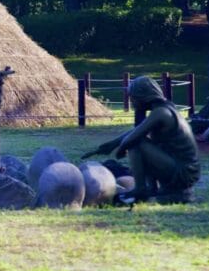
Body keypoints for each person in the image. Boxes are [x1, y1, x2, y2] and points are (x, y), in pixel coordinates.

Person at [83, 76, 200, 204]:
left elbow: (132, 138)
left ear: (143, 96)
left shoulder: (161, 113)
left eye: (132, 98)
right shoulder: (163, 109)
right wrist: (112, 144)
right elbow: (138, 130)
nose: (131, 102)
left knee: (136, 143)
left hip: (183, 173)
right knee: (137, 140)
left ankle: (141, 189)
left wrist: (121, 149)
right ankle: (151, 188)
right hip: (180, 168)